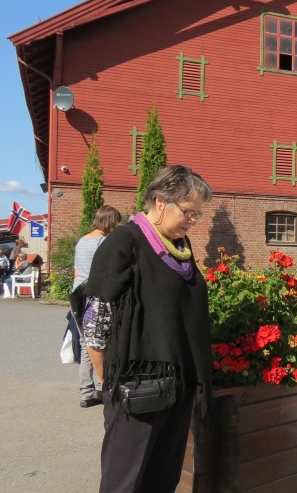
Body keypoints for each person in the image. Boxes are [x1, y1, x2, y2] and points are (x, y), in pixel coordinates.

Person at [85, 165, 214, 493]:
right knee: (123, 483)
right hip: (136, 387)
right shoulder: (125, 241)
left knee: (162, 479)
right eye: (189, 212)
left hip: (177, 386)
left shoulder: (180, 246)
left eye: (197, 214)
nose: (193, 221)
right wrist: (106, 382)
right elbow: (95, 318)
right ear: (160, 202)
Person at [73, 205, 122, 408]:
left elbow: (76, 272)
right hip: (97, 296)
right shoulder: (105, 242)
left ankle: (86, 392)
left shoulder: (81, 241)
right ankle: (105, 388)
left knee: (87, 345)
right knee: (103, 344)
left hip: (78, 295)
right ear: (111, 222)